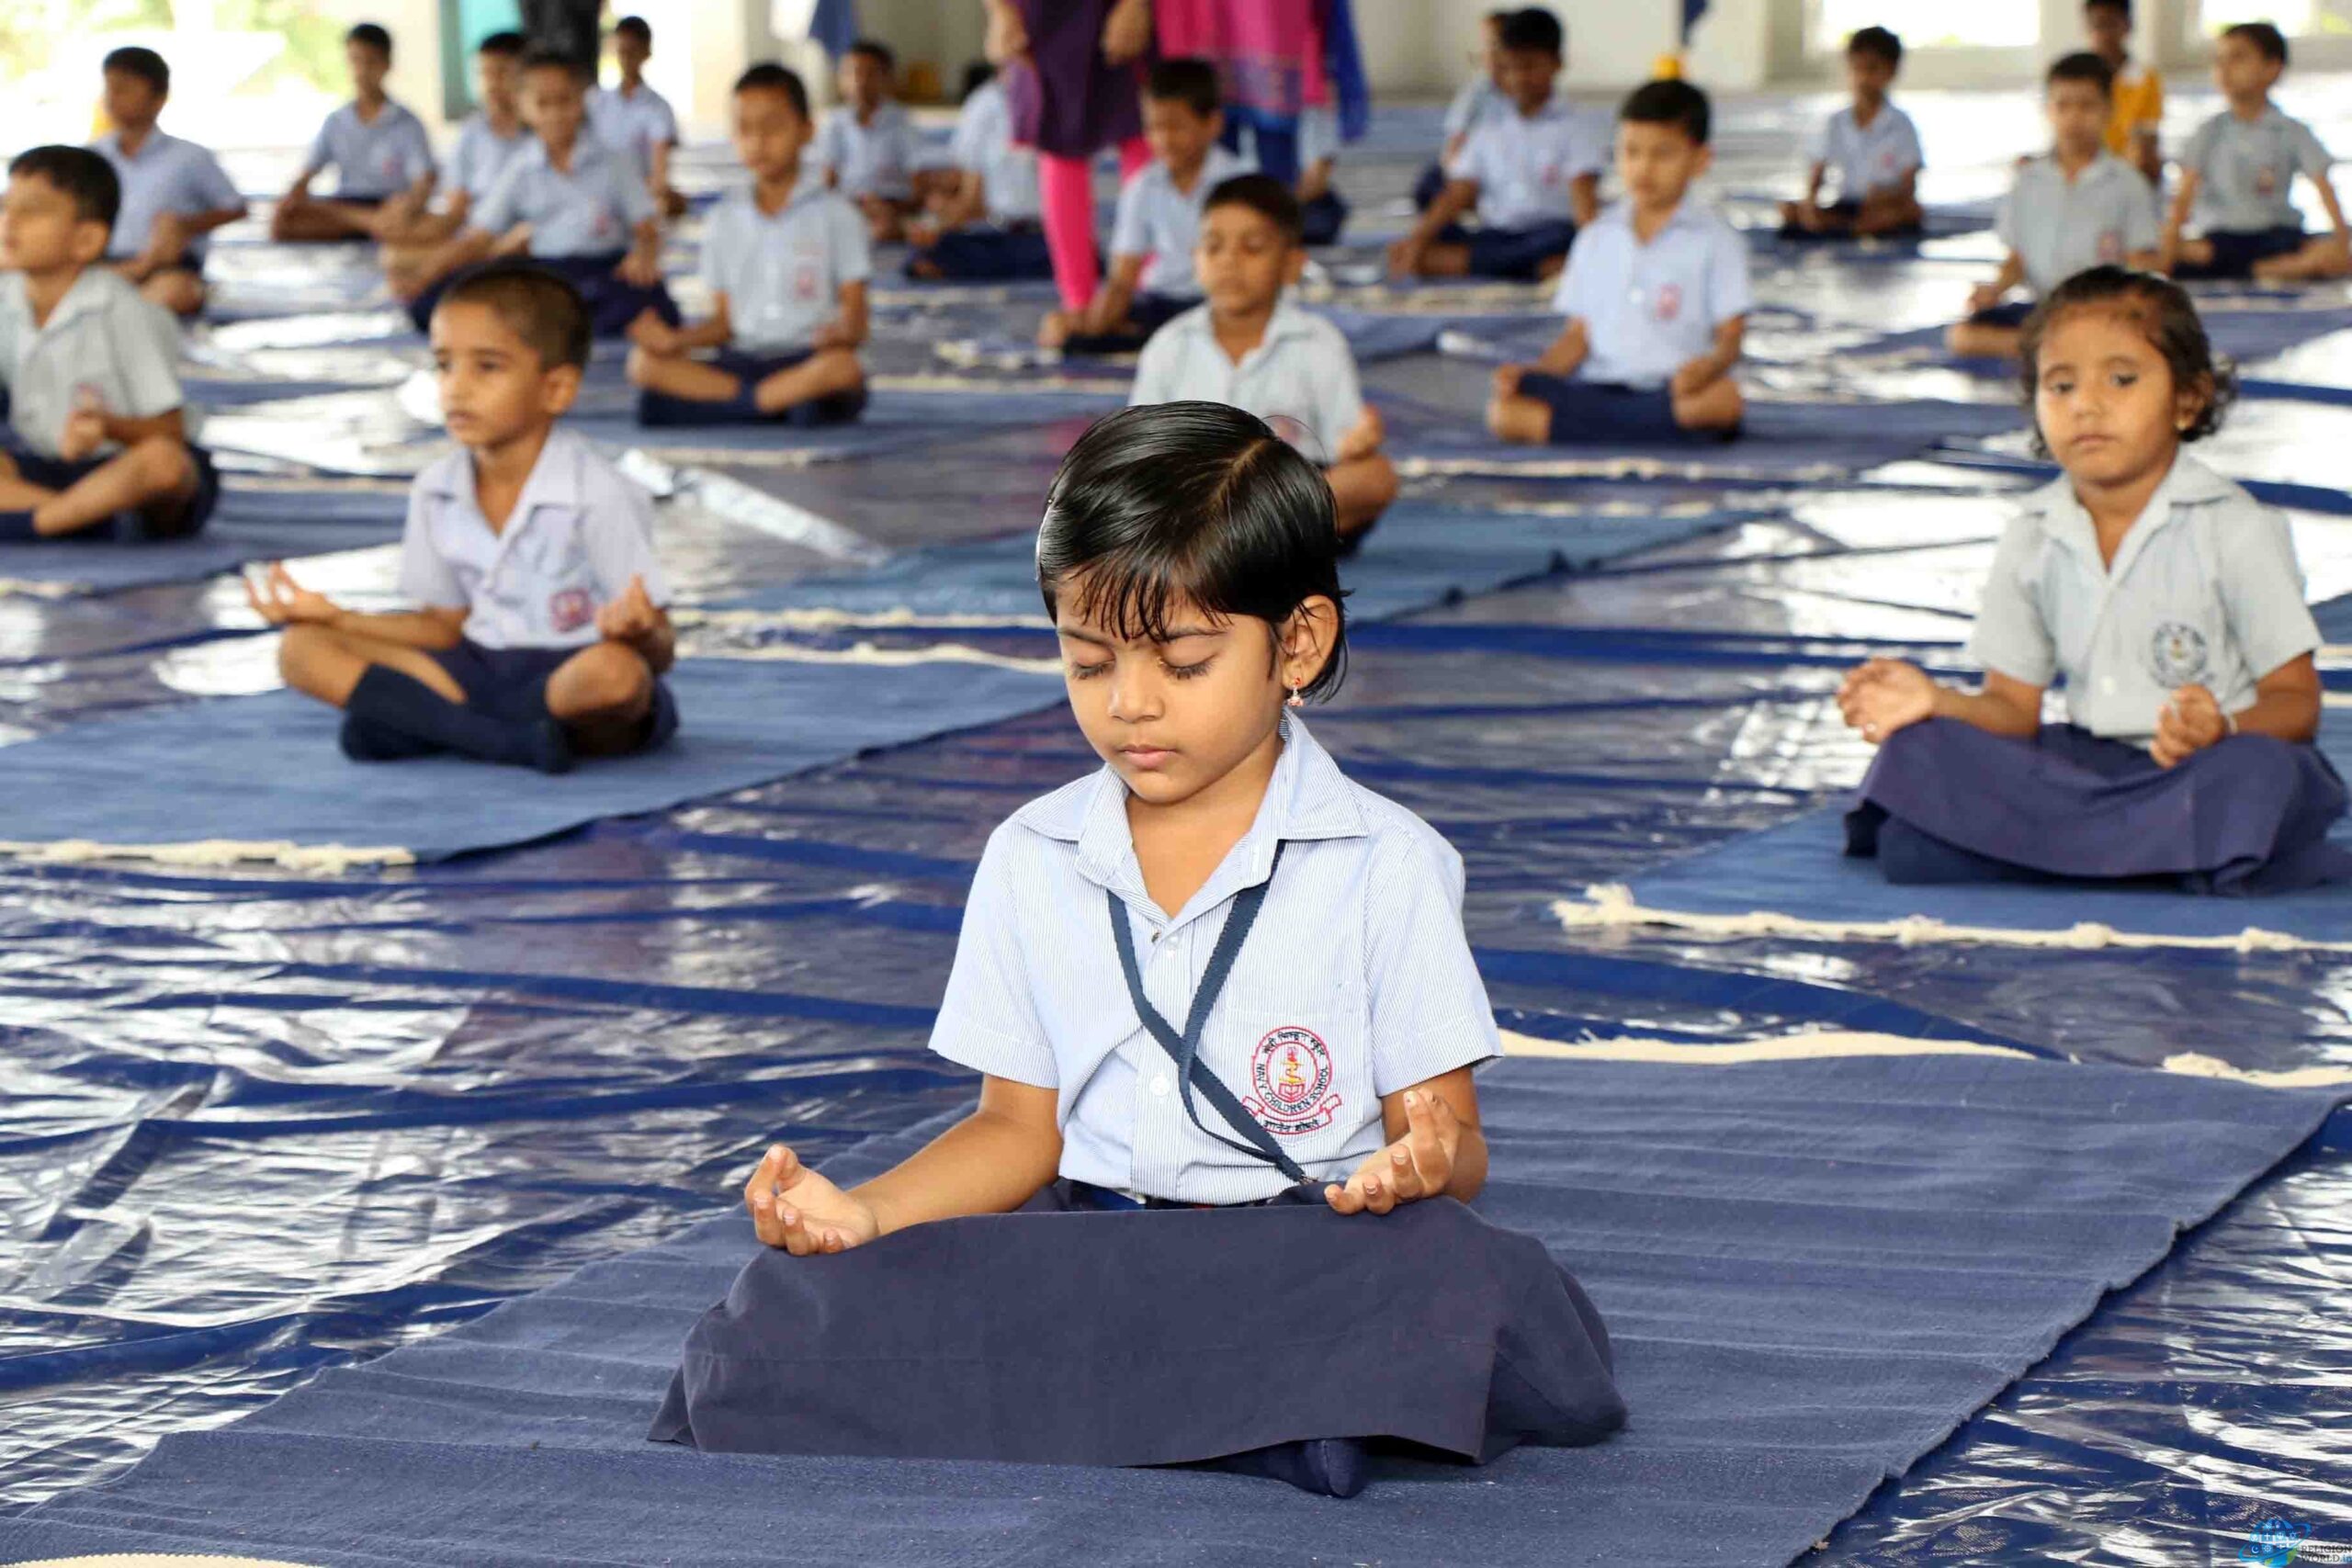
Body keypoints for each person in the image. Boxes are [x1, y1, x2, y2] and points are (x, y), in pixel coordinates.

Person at [651, 402, 1625, 1497]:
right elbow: (1015, 1131)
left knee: (1446, 1282)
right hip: (1090, 1253)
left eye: (1182, 660)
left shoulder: (1386, 863)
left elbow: (1448, 1144)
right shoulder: (1030, 854)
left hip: (1297, 1255)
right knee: (786, 1313)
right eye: (1087, 662)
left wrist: (1420, 1166)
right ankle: (1253, 1418)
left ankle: (1148, 1403)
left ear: (1295, 644)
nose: (1128, 704)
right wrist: (866, 1214)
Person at [1842, 267, 2345, 893]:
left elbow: (2298, 703)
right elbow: (2012, 711)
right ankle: (2159, 857)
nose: (2087, 403)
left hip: (2200, 767)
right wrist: (1933, 701)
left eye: (2121, 379)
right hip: (2083, 767)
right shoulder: (2033, 534)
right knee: (1921, 751)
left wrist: (2226, 728)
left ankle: (2055, 852)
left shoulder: (2237, 528)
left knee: (2263, 775)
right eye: (2061, 385)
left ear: (2187, 400)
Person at [249, 262, 676, 775]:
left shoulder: (600, 491)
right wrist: (338, 618)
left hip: (569, 672)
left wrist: (637, 632)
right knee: (302, 649)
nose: (457, 388)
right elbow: (442, 630)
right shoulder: (437, 488)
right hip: (474, 671)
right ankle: (500, 740)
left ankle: (425, 723)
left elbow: (660, 651)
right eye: (445, 365)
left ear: (556, 389)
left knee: (617, 678)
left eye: (487, 367)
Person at [1129, 175, 1395, 542]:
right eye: (1214, 246)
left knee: (1376, 476)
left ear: (1291, 265)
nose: (1229, 262)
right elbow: (1140, 453)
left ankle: (1248, 541)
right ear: (1196, 258)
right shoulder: (1169, 346)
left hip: (1287, 500)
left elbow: (1344, 450)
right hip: (1194, 500)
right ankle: (1228, 543)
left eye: (1252, 247)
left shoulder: (1318, 342)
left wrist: (1358, 445)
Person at [1487, 80, 1747, 446]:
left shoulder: (1718, 241)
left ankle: (1603, 430)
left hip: (1672, 391)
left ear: (1700, 160)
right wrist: (1536, 374)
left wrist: (1710, 367)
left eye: (1663, 154)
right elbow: (1578, 336)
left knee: (1722, 401)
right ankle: (1644, 429)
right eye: (1632, 152)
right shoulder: (1596, 237)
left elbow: (1731, 339)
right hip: (1599, 388)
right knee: (1504, 413)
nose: (1644, 168)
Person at [628, 63, 868, 427]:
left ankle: (740, 406)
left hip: (806, 359)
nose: (758, 141)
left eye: (772, 127)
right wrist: (675, 341)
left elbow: (856, 320)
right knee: (644, 365)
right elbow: (724, 324)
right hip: (740, 362)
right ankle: (766, 402)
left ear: (806, 130)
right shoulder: (723, 219)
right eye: (745, 129)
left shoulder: (838, 215)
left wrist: (844, 331)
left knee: (842, 370)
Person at [0, 146, 219, 544]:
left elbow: (169, 431)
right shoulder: (7, 298)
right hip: (48, 466)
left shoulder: (122, 309)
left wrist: (106, 428)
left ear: (86, 240)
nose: (9, 222)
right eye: (5, 207)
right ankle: (80, 516)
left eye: (31, 212)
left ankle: (45, 520)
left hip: (122, 465)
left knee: (164, 465)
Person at [389, 49, 675, 338]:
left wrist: (643, 255)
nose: (555, 114)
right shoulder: (521, 167)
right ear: (523, 106)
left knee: (650, 299)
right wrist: (425, 276)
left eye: (564, 101)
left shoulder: (614, 160)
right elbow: (477, 239)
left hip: (604, 269)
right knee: (434, 302)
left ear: (582, 101)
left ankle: (548, 328)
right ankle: (561, 326)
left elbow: (647, 227)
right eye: (542, 103)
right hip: (544, 276)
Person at [1948, 53, 2159, 361]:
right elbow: (2017, 259)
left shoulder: (2127, 183)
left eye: (2087, 106)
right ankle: (2062, 351)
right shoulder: (2028, 181)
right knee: (1962, 336)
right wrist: (1994, 289)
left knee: (2131, 337)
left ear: (2108, 111)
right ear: (2048, 110)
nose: (2074, 117)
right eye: (2063, 106)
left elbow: (2142, 261)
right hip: (2045, 308)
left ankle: (2058, 351)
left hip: (2101, 312)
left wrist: (2133, 307)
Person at [1038, 58, 1250, 355]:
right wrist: (1088, 324)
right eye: (1154, 128)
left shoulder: (1240, 183)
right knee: (1075, 336)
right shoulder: (1143, 185)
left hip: (1218, 299)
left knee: (1237, 321)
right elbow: (1123, 278)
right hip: (1159, 301)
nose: (1163, 139)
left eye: (1176, 127)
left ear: (1212, 125)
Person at [1388, 8, 1600, 283]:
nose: (1519, 78)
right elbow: (1458, 193)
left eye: (1529, 66)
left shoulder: (1575, 128)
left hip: (1551, 232)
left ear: (1557, 63)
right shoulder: (1490, 127)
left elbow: (1584, 204)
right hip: (1498, 235)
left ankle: (1510, 265)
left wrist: (1598, 251)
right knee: (1433, 239)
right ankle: (1540, 269)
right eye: (1510, 68)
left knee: (1561, 242)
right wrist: (1415, 241)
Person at [980, 0, 1154, 328]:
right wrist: (1000, 12)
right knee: (1060, 142)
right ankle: (1078, 301)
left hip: (1120, 9)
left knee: (1142, 134)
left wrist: (1136, 3)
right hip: (1045, 17)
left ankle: (1144, 296)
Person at [2161, 22, 2350, 284]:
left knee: (2326, 253)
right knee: (2165, 249)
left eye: (2238, 58)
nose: (2224, 69)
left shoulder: (2291, 130)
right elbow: (2183, 196)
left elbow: (2324, 187)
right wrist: (2169, 246)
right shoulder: (2208, 132)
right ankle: (2265, 270)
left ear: (2272, 68)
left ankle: (2263, 268)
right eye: (2219, 60)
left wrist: (2341, 244)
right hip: (2221, 239)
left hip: (2278, 236)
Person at [89, 46, 246, 318]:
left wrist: (187, 225)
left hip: (168, 271)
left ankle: (128, 303)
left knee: (173, 293)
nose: (112, 99)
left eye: (124, 89)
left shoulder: (190, 158)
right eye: (109, 89)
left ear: (158, 99)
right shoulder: (92, 157)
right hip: (102, 267)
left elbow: (235, 207)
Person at [270, 23, 436, 243]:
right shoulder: (336, 121)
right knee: (282, 222)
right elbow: (307, 174)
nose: (361, 71)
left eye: (370, 62)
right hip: (346, 208)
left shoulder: (407, 123)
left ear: (386, 65)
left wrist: (409, 205)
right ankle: (370, 224)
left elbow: (423, 182)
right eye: (355, 60)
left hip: (389, 206)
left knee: (425, 225)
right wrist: (291, 196)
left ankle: (374, 224)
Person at [378, 32, 530, 258]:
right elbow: (457, 208)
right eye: (484, 73)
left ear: (526, 76)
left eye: (502, 72)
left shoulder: (544, 133)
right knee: (395, 251)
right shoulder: (473, 132)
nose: (492, 83)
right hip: (476, 232)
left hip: (529, 232)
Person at [906, 62, 1050, 282]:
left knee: (1077, 257)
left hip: (1046, 237)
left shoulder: (1061, 96)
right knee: (925, 256)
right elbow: (972, 201)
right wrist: (937, 224)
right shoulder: (985, 104)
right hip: (996, 234)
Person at [1779, 27, 1923, 240]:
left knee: (1906, 212)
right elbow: (1816, 176)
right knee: (1789, 210)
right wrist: (1810, 203)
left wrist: (1886, 197)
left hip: (1882, 206)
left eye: (1873, 69)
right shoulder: (1834, 123)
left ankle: (1846, 228)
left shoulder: (1901, 125)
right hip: (1846, 206)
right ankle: (1851, 227)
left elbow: (1909, 187)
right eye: (1857, 68)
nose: (1863, 77)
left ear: (1891, 72)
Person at [814, 39, 921, 244]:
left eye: (869, 73)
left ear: (887, 79)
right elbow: (828, 182)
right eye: (850, 73)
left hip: (892, 205)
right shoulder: (835, 124)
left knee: (891, 228)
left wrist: (888, 207)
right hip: (850, 204)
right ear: (840, 79)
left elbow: (918, 184)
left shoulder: (901, 123)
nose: (859, 81)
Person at [589, 16, 687, 220]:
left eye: (633, 52)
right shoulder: (597, 101)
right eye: (622, 51)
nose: (626, 59)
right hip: (596, 195)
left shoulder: (658, 109)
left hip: (639, 196)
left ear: (646, 53)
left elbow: (659, 173)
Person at [1412, 9, 1510, 209]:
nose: (1492, 53)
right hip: (1471, 172)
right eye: (1488, 45)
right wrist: (1455, 176)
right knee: (1429, 185)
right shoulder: (1475, 95)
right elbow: (1455, 144)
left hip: (1509, 172)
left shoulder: (1526, 97)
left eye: (1499, 45)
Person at [2086, 0, 2163, 184]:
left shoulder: (2146, 79)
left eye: (2111, 24)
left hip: (2127, 165)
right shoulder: (2079, 78)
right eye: (2098, 25)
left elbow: (2147, 135)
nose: (2105, 34)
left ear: (2128, 26)